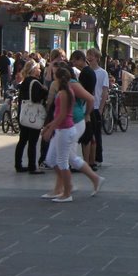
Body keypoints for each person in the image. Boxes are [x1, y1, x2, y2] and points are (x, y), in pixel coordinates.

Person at [39, 64, 103, 202]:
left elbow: (62, 115)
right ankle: (65, 187)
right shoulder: (66, 90)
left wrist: (49, 128)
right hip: (65, 127)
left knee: (65, 160)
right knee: (56, 159)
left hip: (69, 127)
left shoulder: (67, 91)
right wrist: (50, 126)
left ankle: (67, 190)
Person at [15, 60, 46, 174]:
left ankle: (18, 164)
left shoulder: (25, 82)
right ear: (33, 70)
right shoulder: (35, 83)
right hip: (33, 115)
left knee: (22, 140)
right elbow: (36, 99)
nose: (40, 70)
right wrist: (44, 92)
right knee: (32, 141)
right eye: (38, 68)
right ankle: (32, 166)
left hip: (24, 114)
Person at [86, 49, 110, 168]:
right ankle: (88, 158)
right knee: (88, 134)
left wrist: (101, 108)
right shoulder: (85, 71)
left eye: (92, 56)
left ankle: (97, 157)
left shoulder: (102, 73)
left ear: (97, 58)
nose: (89, 58)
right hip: (86, 106)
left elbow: (105, 91)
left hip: (95, 106)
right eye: (88, 55)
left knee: (96, 133)